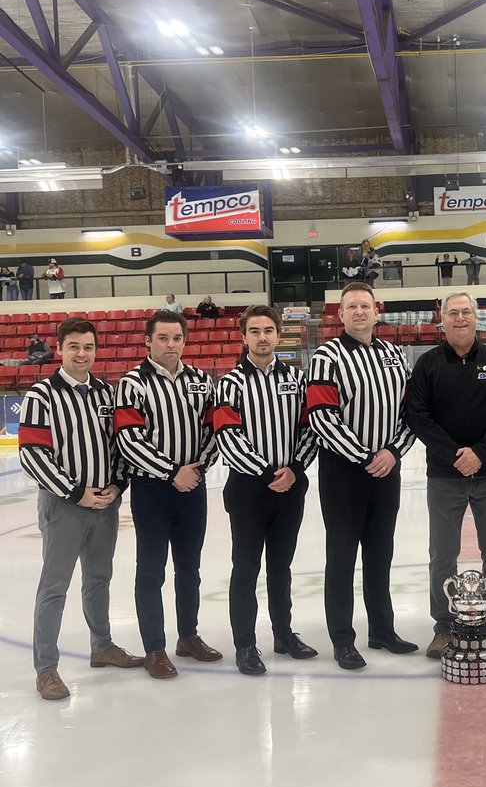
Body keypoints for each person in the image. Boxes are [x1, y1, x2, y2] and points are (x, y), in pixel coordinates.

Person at [19, 317, 143, 700]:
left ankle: (101, 645)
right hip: (64, 506)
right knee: (55, 586)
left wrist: (118, 484)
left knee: (99, 578)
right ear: (59, 348)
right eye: (73, 346)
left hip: (105, 504)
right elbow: (33, 455)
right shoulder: (41, 396)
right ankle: (46, 668)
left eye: (88, 347)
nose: (82, 354)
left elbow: (120, 446)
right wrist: (76, 493)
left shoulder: (106, 393)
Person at [306, 282, 418, 670]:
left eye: (364, 306)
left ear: (376, 311)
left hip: (386, 469)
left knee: (380, 553)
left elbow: (411, 414)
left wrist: (393, 452)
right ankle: (342, 639)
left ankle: (382, 630)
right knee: (341, 557)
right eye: (351, 306)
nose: (358, 312)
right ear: (340, 314)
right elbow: (321, 416)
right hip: (344, 472)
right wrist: (364, 456)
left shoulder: (394, 355)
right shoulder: (327, 356)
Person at [407, 290, 486, 661]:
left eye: (466, 312)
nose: (460, 318)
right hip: (445, 475)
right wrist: (457, 455)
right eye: (453, 313)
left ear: (476, 317)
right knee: (442, 555)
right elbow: (418, 416)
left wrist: (481, 453)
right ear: (442, 320)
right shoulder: (427, 364)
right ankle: (444, 626)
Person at [114, 309, 222, 678]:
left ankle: (188, 637)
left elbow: (214, 432)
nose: (170, 344)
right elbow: (129, 440)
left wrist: (196, 470)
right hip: (152, 490)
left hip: (193, 487)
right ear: (148, 340)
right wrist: (173, 471)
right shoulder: (132, 383)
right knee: (151, 570)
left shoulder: (201, 381)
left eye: (176, 338)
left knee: (189, 568)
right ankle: (155, 649)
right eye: (162, 338)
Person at [215, 305, 318, 675]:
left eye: (268, 330)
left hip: (290, 487)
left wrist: (295, 469)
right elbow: (228, 436)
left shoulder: (297, 379)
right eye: (255, 331)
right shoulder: (229, 384)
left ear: (279, 335)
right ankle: (245, 644)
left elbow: (310, 429)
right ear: (244, 337)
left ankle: (283, 634)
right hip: (249, 489)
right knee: (245, 568)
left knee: (281, 567)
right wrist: (266, 472)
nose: (262, 337)